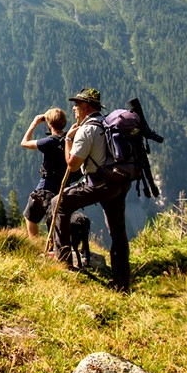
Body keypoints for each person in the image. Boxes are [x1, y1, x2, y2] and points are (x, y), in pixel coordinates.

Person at [53, 87, 132, 291]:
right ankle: (122, 281)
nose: (74, 110)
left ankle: (63, 262)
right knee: (118, 232)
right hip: (118, 183)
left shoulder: (86, 130)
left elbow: (72, 165)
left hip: (99, 185)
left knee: (58, 203)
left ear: (86, 107)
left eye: (77, 106)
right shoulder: (106, 123)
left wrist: (68, 139)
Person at [19, 107, 67, 238]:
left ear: (49, 124)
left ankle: (35, 244)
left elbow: (24, 143)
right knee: (55, 215)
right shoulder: (68, 138)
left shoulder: (49, 142)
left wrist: (34, 123)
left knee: (30, 214)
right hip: (64, 184)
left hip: (46, 185)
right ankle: (55, 244)